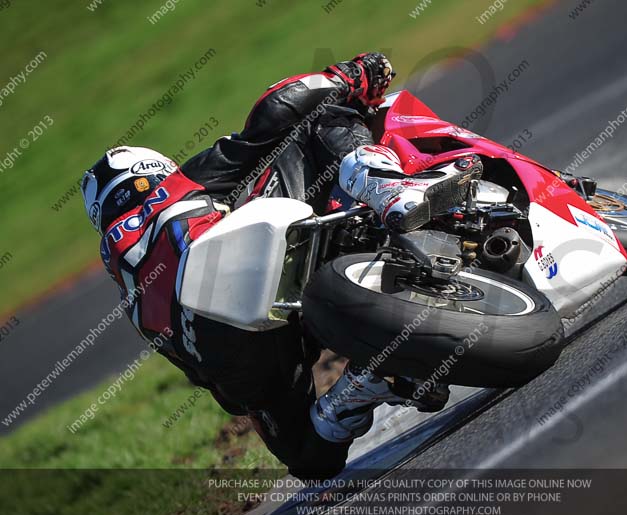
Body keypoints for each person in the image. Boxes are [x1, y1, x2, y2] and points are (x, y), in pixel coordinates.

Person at [80, 53, 482, 479]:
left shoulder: (131, 294)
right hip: (270, 284)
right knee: (318, 117)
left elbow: (208, 379)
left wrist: (255, 389)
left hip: (242, 362)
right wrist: (346, 77)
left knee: (310, 458)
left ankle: (362, 385)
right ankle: (386, 187)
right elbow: (269, 121)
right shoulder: (176, 187)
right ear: (152, 171)